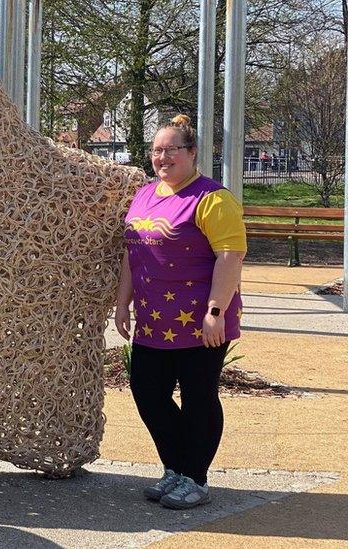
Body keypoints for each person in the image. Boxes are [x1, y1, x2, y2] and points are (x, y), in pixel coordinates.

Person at [114, 114, 246, 510]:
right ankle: (174, 466)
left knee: (198, 396)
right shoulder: (145, 194)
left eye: (172, 149)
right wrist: (122, 302)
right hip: (154, 320)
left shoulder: (212, 198)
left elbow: (230, 254)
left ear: (191, 153)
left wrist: (216, 310)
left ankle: (196, 477)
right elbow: (130, 252)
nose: (163, 157)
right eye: (157, 150)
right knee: (147, 392)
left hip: (200, 320)